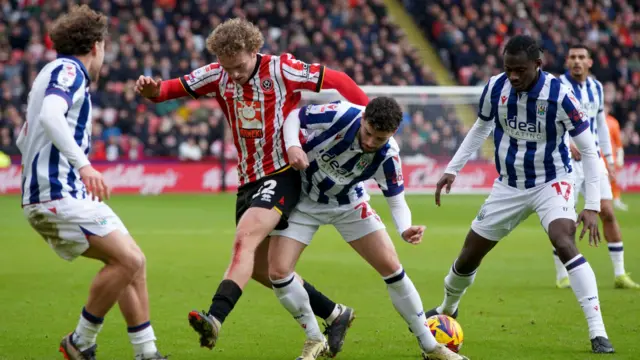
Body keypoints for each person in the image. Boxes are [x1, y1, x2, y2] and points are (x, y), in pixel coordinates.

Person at [135, 18, 368, 355]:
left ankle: (215, 318)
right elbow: (167, 90)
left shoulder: (282, 68)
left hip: (282, 173)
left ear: (254, 50)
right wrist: (151, 90)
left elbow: (339, 80)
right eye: (228, 68)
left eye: (240, 66)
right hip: (247, 180)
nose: (234, 75)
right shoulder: (216, 74)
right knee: (265, 270)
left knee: (243, 242)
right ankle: (334, 313)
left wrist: (368, 117)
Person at [425, 35, 615, 354]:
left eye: (520, 70)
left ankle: (598, 332)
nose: (513, 76)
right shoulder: (495, 87)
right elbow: (481, 128)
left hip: (552, 181)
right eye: (508, 69)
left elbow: (589, 150)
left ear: (537, 66)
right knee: (469, 254)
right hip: (509, 184)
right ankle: (448, 307)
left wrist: (592, 205)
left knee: (563, 239)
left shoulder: (561, 96)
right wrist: (454, 168)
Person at [267, 97, 469, 360]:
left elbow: (397, 201)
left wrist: (405, 228)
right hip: (304, 199)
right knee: (278, 272)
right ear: (363, 119)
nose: (371, 142)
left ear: (393, 133)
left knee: (393, 269)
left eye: (380, 139)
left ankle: (430, 346)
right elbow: (295, 116)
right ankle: (315, 339)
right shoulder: (341, 114)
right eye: (369, 134)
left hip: (348, 204)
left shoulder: (389, 155)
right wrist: (293, 146)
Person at [17, 5, 166, 360]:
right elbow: (52, 116)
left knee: (131, 263)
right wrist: (83, 166)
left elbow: (25, 137)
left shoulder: (47, 73)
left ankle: (147, 353)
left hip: (54, 193)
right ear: (97, 45)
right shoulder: (70, 70)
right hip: (58, 193)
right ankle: (80, 341)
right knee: (129, 259)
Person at [551, 44, 639, 289]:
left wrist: (609, 159)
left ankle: (620, 274)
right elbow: (551, 121)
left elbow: (600, 123)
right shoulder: (558, 87)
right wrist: (568, 142)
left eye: (581, 57)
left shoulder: (596, 88)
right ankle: (562, 275)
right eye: (573, 57)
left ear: (590, 62)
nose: (577, 61)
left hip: (594, 159)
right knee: (563, 218)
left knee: (607, 212)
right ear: (567, 61)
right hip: (565, 162)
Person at [605, 113, 628, 211]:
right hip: (597, 156)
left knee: (613, 178)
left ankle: (616, 200)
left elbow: (618, 141)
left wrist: (620, 156)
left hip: (610, 156)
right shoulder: (592, 119)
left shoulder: (613, 122)